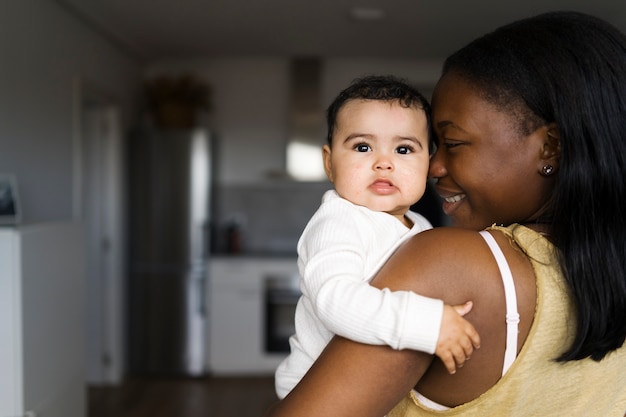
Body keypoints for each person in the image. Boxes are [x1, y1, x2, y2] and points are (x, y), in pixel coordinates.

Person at [265, 11, 626, 416]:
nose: (434, 167)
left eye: (451, 143)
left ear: (549, 148)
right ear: (329, 161)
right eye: (363, 147)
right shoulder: (606, 274)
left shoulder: (450, 262)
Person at [274, 75, 480, 399]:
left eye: (403, 149)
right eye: (363, 147)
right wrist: (428, 323)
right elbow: (336, 300)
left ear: (429, 163)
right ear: (330, 163)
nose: (383, 163)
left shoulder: (421, 226)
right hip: (322, 391)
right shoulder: (340, 220)